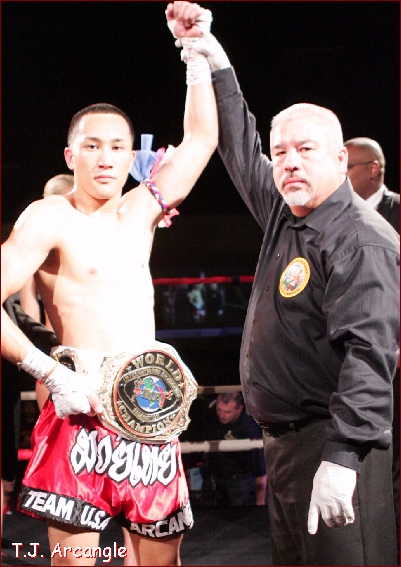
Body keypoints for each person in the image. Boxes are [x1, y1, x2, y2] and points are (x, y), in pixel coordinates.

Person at [165, 3, 400, 565]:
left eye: (305, 150)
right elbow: (238, 147)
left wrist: (343, 458)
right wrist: (210, 54)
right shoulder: (287, 214)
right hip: (288, 448)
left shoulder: (361, 240)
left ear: (341, 160)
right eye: (281, 153)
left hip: (335, 446)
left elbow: (370, 356)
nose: (289, 162)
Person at [1, 19, 218, 565]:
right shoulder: (48, 217)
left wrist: (195, 52)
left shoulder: (143, 208)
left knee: (160, 562)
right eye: (92, 146)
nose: (105, 158)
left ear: (129, 157)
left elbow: (201, 141)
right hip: (80, 412)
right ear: (70, 156)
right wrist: (50, 373)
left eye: (117, 147)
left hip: (150, 406)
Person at [345, 136, 400, 562]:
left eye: (348, 166)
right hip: (355, 356)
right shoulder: (334, 215)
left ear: (373, 169)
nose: (341, 175)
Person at [19, 173, 75, 411]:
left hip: (98, 351)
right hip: (56, 354)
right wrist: (41, 358)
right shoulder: (36, 245)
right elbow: (29, 311)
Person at [201, 392, 266, 507]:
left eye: (227, 412)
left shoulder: (249, 429)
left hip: (240, 482)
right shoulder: (211, 417)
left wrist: (260, 502)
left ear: (239, 409)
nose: (222, 415)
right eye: (219, 410)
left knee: (240, 515)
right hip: (214, 477)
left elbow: (260, 470)